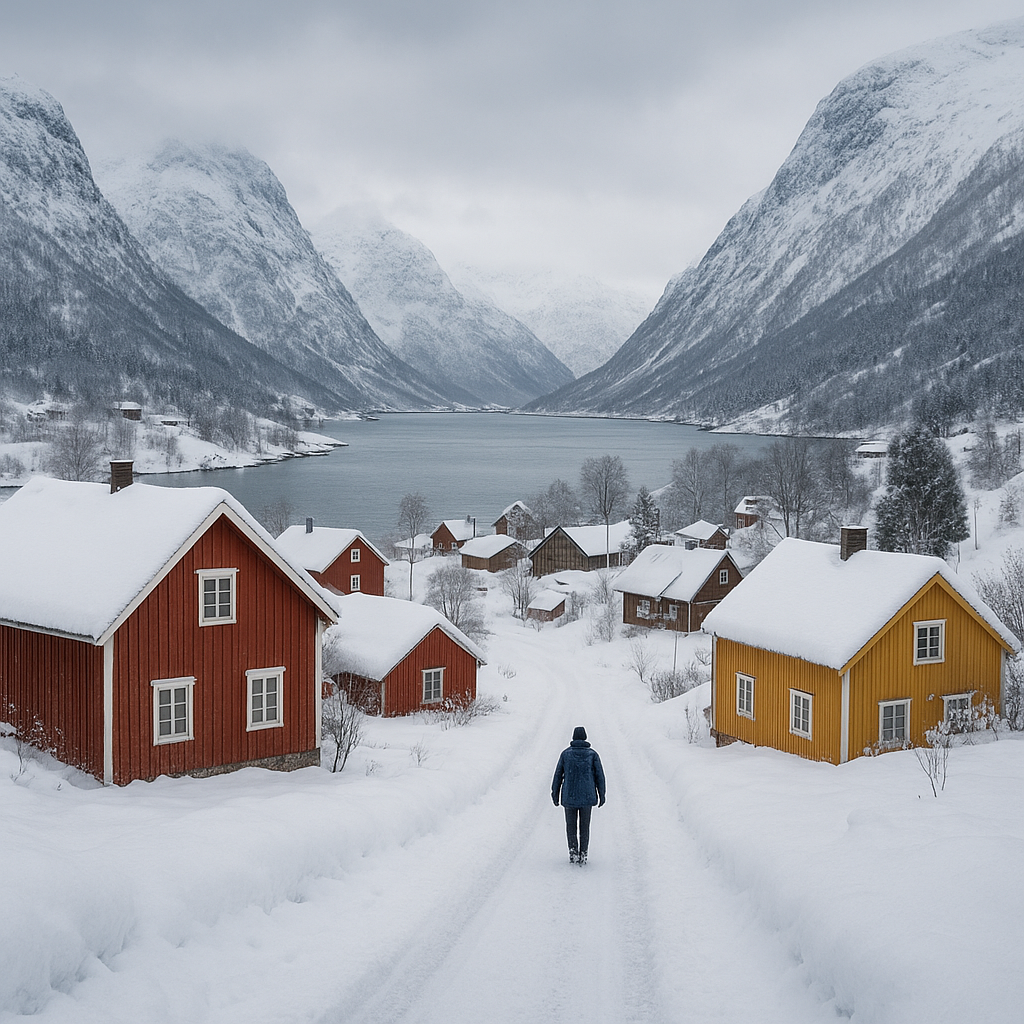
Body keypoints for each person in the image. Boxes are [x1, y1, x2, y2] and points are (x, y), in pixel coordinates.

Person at [551, 726, 606, 865]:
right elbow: (600, 776)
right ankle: (583, 854)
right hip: (587, 797)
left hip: (569, 796)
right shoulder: (592, 754)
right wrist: (602, 794)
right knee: (584, 826)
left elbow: (558, 775)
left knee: (571, 826)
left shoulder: (565, 754)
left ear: (574, 737)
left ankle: (573, 852)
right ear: (585, 737)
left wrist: (555, 793)